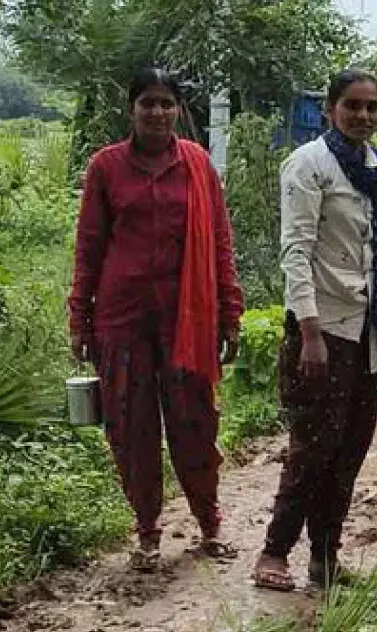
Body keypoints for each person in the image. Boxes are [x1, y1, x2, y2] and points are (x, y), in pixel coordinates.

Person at [68, 67, 243, 573]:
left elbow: (220, 241)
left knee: (195, 423)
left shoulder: (197, 164)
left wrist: (230, 312)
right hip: (122, 320)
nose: (158, 112)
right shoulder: (107, 167)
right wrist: (80, 319)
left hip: (188, 318)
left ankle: (209, 524)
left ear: (178, 110)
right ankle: (146, 530)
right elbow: (89, 248)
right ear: (132, 108)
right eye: (148, 102)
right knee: (131, 426)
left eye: (167, 103)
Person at [254, 70, 377, 592]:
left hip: (368, 330)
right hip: (323, 328)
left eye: (371, 107)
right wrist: (311, 332)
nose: (363, 116)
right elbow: (296, 251)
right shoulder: (309, 166)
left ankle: (325, 558)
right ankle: (274, 553)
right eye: (352, 106)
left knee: (350, 449)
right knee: (311, 447)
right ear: (330, 108)